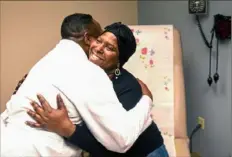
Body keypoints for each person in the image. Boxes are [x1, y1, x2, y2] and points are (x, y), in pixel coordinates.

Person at [0, 13, 153, 157]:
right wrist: (147, 101)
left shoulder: (48, 61)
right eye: (99, 40)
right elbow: (121, 140)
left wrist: (68, 129)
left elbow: (121, 142)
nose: (98, 48)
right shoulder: (86, 71)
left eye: (110, 48)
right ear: (87, 39)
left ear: (120, 60)